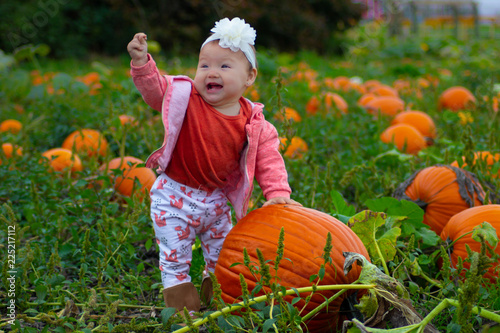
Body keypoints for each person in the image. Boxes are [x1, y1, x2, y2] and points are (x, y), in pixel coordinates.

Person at [127, 17, 300, 314]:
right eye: (204, 65)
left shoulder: (255, 123)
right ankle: (182, 312)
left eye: (224, 66)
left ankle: (216, 299)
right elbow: (156, 90)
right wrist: (142, 63)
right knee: (175, 258)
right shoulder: (185, 96)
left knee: (223, 258)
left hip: (217, 201)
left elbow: (269, 160)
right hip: (174, 197)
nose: (211, 73)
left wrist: (277, 192)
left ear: (250, 77)